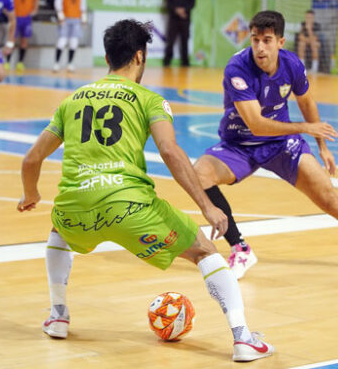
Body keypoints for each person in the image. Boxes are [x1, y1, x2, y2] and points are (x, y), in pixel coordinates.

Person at [17, 19, 273, 363]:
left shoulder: (72, 101)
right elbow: (170, 152)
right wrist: (207, 206)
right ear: (139, 56)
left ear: (107, 57)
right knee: (204, 251)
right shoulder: (149, 100)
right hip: (131, 210)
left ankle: (58, 314)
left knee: (58, 230)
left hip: (75, 209)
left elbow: (31, 159)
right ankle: (243, 337)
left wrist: (30, 194)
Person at [192, 11, 338, 279]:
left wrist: (322, 147)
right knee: (200, 173)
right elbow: (257, 124)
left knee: (330, 199)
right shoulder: (237, 68)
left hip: (282, 144)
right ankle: (240, 248)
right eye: (255, 39)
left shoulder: (292, 64)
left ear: (280, 42)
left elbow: (306, 102)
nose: (260, 47)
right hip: (240, 143)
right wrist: (305, 128)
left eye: (267, 40)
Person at [4, 0, 39, 72]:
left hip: (26, 17)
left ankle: (20, 62)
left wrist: (35, 10)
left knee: (24, 41)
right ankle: (7, 62)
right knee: (11, 40)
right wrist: (8, 12)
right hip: (15, 17)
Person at [52, 0, 85, 73]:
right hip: (65, 18)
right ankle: (56, 63)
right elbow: (58, 2)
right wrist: (60, 14)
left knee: (74, 42)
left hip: (76, 18)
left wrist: (83, 15)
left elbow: (82, 2)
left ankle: (70, 63)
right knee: (62, 41)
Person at [162, 0, 194, 67]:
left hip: (185, 20)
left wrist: (184, 10)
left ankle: (185, 62)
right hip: (174, 20)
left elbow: (192, 4)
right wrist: (177, 10)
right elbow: (169, 3)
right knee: (170, 41)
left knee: (185, 41)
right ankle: (167, 61)